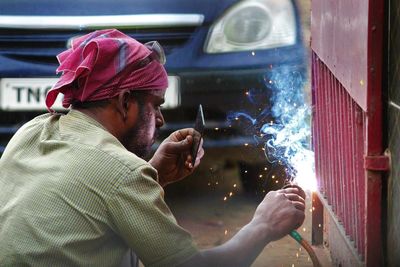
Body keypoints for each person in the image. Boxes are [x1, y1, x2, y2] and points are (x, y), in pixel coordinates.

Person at [0, 29, 306, 267]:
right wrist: (263, 226)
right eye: (155, 105)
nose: (160, 120)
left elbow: (84, 203)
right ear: (124, 102)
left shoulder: (32, 130)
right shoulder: (121, 173)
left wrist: (154, 175)